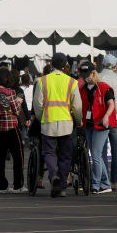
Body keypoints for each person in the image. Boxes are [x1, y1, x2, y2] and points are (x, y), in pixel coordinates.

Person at [33, 52, 83, 197]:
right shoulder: (71, 82)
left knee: (49, 153)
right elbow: (77, 106)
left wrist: (41, 117)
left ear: (51, 64)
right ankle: (61, 187)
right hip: (66, 123)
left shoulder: (42, 81)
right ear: (65, 65)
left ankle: (53, 174)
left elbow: (38, 104)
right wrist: (78, 121)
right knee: (65, 155)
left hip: (48, 122)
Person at [77, 61, 116, 194]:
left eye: (87, 74)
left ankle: (95, 184)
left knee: (95, 154)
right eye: (83, 74)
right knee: (97, 155)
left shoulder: (104, 87)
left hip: (101, 125)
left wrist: (106, 116)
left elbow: (111, 104)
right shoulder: (83, 88)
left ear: (94, 73)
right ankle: (105, 184)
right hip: (88, 124)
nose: (85, 77)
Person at [0, 67, 25, 193]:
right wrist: (19, 102)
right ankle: (18, 185)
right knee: (18, 156)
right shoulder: (10, 92)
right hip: (10, 126)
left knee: (0, 157)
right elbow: (17, 111)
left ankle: (2, 185)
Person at [97, 54, 117, 189]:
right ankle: (113, 181)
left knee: (101, 150)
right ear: (115, 65)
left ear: (103, 64)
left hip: (102, 117)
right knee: (116, 150)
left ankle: (104, 180)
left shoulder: (98, 77)